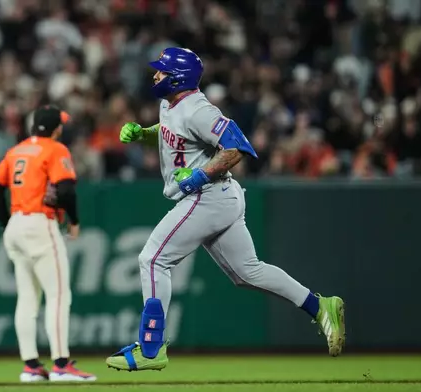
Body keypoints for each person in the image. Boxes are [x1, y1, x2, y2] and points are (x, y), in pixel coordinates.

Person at [105, 48, 346, 371]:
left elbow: (239, 146)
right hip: (219, 196)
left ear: (178, 77)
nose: (155, 75)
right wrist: (144, 135)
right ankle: (319, 306)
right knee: (249, 272)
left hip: (207, 196)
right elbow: (176, 142)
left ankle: (151, 348)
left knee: (153, 258)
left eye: (161, 71)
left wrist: (200, 175)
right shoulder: (169, 103)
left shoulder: (198, 110)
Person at [0, 105, 96, 382]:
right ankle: (61, 364)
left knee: (27, 298)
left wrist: (6, 221)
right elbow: (66, 189)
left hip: (16, 225)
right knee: (59, 295)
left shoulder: (18, 150)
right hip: (40, 224)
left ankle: (31, 366)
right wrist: (73, 220)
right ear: (56, 128)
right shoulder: (55, 149)